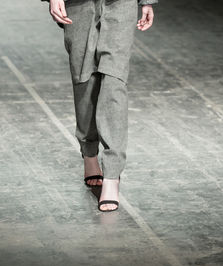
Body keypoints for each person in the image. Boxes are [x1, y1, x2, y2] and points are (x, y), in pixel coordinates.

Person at [43, 0, 158, 212]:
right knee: (84, 81)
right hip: (78, 4)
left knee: (114, 83)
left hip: (121, 4)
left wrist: (147, 2)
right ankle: (89, 153)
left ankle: (112, 176)